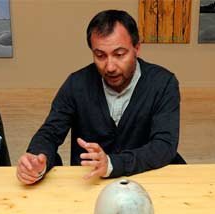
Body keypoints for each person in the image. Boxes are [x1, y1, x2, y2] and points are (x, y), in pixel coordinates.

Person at [16, 9, 182, 184]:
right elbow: (50, 133)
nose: (110, 66)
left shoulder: (163, 83)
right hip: (89, 183)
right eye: (100, 55)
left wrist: (112, 164)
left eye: (119, 54)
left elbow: (164, 145)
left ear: (137, 48)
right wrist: (36, 160)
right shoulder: (77, 84)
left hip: (148, 180)